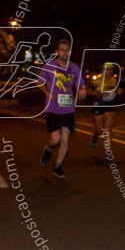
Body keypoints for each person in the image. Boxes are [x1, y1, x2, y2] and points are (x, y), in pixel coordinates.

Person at [38, 38, 86, 179]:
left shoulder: (75, 68)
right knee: (55, 140)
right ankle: (48, 149)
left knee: (65, 140)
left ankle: (57, 167)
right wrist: (47, 93)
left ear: (70, 52)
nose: (64, 53)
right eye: (62, 50)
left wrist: (82, 89)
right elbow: (39, 82)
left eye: (67, 50)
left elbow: (81, 83)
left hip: (68, 109)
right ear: (57, 52)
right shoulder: (49, 66)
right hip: (52, 109)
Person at [87, 64, 120, 150]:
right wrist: (99, 93)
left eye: (111, 70)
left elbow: (114, 91)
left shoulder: (114, 80)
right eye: (107, 70)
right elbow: (88, 91)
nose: (109, 72)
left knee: (108, 128)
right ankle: (94, 137)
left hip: (110, 106)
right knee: (99, 130)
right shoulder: (98, 80)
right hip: (99, 105)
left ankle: (108, 151)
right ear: (103, 70)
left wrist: (117, 91)